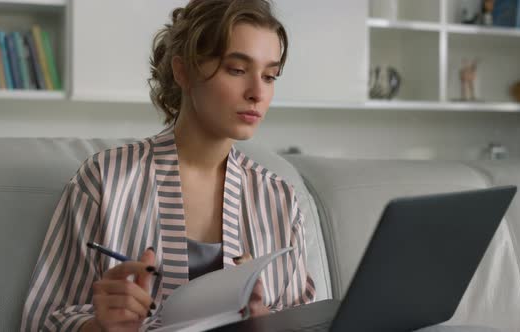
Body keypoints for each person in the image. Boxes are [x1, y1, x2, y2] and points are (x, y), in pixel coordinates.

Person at [20, 0, 316, 331]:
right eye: (236, 69)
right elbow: (43, 320)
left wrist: (264, 324)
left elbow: (308, 321)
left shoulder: (281, 200)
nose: (258, 92)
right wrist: (100, 327)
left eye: (270, 75)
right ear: (183, 71)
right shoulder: (104, 180)